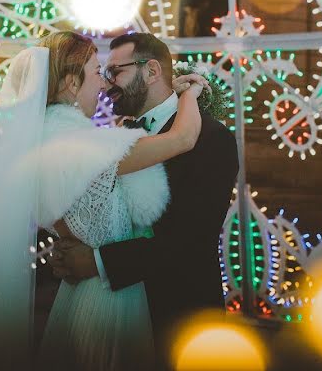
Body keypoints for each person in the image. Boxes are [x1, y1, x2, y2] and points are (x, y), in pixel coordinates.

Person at [0, 31, 209, 370]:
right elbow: (185, 137)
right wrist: (190, 92)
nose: (104, 84)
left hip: (76, 295)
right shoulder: (83, 148)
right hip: (109, 301)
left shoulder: (41, 142)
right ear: (71, 83)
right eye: (98, 71)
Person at [49, 32, 240, 371]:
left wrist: (96, 261)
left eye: (115, 72)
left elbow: (192, 243)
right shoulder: (118, 138)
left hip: (179, 323)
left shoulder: (211, 139)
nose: (108, 86)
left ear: (151, 71)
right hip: (116, 317)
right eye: (102, 74)